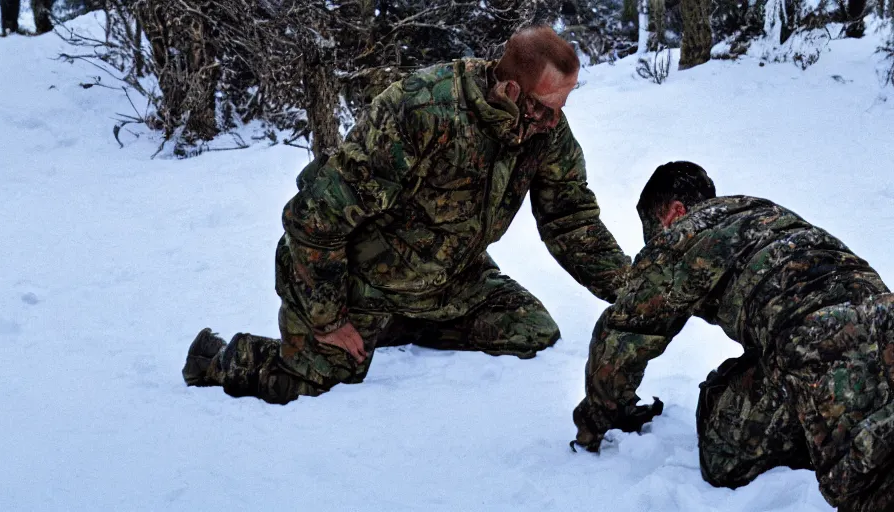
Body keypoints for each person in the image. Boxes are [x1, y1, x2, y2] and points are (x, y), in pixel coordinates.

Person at [182, 25, 631, 405]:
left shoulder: (542, 129)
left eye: (561, 110)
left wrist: (635, 290)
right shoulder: (423, 110)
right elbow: (315, 218)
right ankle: (218, 359)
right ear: (512, 90)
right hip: (354, 274)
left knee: (531, 329)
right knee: (317, 382)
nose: (555, 123)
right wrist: (330, 318)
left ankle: (393, 323)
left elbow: (570, 217)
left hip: (447, 278)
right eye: (548, 109)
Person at [571, 161, 894, 512]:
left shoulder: (681, 238)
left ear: (675, 212)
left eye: (654, 229)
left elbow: (624, 334)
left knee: (725, 452)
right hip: (882, 313)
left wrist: (599, 419)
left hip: (817, 345)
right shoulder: (764, 212)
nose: (654, 241)